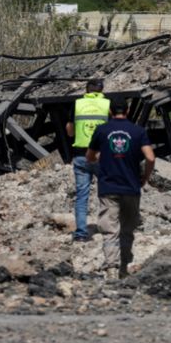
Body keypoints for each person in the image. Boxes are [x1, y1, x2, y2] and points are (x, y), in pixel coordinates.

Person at [86, 98, 155, 280]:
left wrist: (101, 159)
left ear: (110, 111)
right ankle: (123, 268)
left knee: (110, 230)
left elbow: (89, 157)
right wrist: (145, 177)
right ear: (128, 109)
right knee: (127, 229)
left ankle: (111, 268)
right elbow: (150, 157)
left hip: (108, 186)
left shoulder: (102, 130)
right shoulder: (138, 131)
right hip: (131, 187)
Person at [65, 79, 109, 242]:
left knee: (82, 196)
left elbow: (69, 131)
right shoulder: (107, 105)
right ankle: (107, 230)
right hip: (101, 156)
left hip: (81, 156)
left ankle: (81, 234)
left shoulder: (77, 104)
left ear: (86, 90)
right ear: (101, 90)